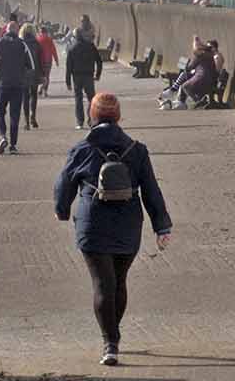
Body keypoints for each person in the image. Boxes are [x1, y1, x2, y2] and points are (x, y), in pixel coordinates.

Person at [53, 93, 171, 367]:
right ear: (118, 117)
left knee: (102, 283)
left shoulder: (81, 149)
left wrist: (61, 210)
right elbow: (152, 190)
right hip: (128, 224)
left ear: (92, 116)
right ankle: (113, 336)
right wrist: (161, 225)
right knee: (118, 281)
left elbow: (64, 185)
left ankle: (110, 343)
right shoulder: (137, 150)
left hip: (93, 224)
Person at [0, 17, 39, 153]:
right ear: (17, 31)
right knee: (15, 114)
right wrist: (24, 76)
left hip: (2, 84)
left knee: (0, 110)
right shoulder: (23, 45)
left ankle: (3, 136)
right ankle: (13, 145)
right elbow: (32, 66)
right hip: (18, 84)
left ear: (6, 30)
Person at [63, 19, 103, 129]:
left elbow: (68, 67)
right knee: (92, 99)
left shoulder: (71, 49)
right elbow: (99, 61)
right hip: (89, 76)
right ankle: (91, 120)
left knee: (78, 99)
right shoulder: (90, 46)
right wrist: (98, 74)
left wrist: (68, 82)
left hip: (76, 77)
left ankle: (79, 122)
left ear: (75, 37)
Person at [19, 22, 48, 129]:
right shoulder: (37, 43)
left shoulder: (21, 43)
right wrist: (44, 74)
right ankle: (33, 116)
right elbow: (42, 60)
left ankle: (26, 121)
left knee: (25, 96)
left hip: (23, 73)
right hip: (35, 73)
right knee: (34, 95)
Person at [34, 25, 59, 96]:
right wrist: (56, 60)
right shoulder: (49, 39)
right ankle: (44, 91)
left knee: (41, 76)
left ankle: (40, 89)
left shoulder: (38, 39)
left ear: (40, 31)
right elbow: (53, 50)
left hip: (40, 61)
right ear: (46, 31)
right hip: (48, 61)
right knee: (47, 76)